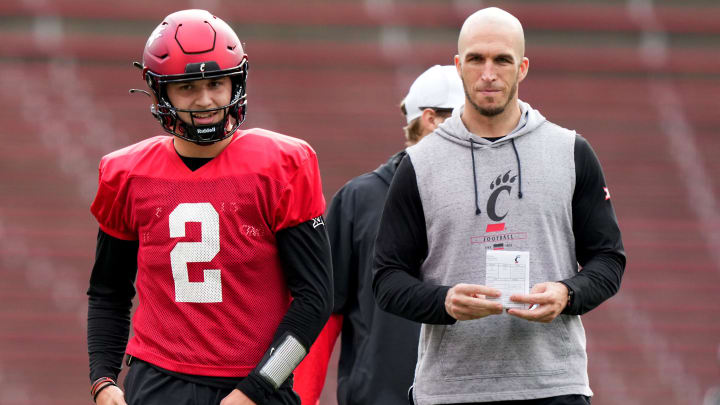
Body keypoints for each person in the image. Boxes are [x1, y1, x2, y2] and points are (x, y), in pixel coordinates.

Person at [373, 7, 626, 405]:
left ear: (522, 67)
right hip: (450, 391)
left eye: (501, 60)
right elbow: (386, 279)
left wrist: (567, 294)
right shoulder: (419, 164)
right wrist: (443, 302)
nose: (488, 73)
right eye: (476, 59)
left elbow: (609, 260)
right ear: (459, 65)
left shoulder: (571, 152)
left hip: (553, 387)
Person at [86, 9, 332, 405]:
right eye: (187, 87)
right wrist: (103, 379)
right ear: (159, 91)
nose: (206, 100)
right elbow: (108, 291)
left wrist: (258, 388)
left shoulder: (284, 164)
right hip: (156, 382)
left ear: (236, 81)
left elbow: (316, 298)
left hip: (255, 383)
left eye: (216, 83)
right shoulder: (126, 173)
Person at [295, 65, 464, 405]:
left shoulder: (493, 200)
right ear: (432, 119)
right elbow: (324, 311)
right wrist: (302, 398)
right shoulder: (360, 199)